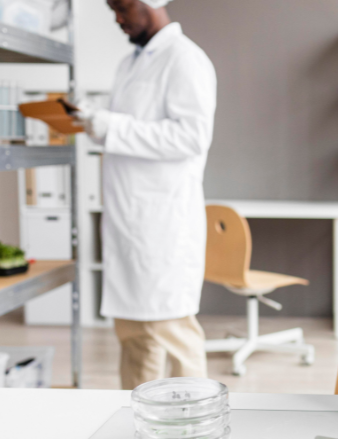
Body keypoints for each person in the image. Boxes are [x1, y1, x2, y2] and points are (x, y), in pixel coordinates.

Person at [76, 0, 217, 390]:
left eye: (122, 8)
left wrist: (111, 126)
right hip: (129, 220)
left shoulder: (184, 59)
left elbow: (191, 137)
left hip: (163, 225)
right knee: (135, 336)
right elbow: (130, 128)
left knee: (171, 330)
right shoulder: (129, 64)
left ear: (149, 4)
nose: (117, 19)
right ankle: (137, 419)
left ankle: (192, 422)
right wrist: (95, 120)